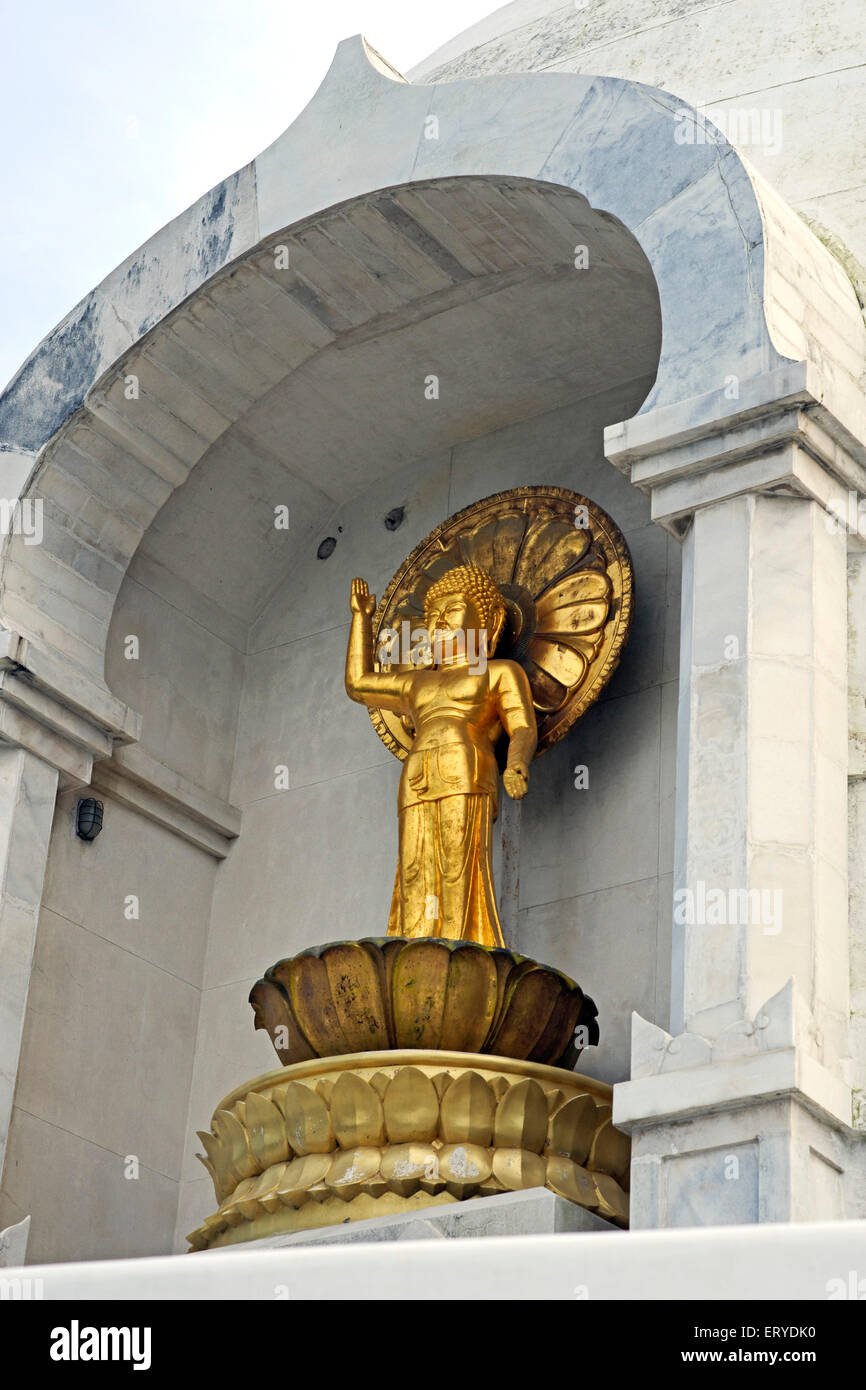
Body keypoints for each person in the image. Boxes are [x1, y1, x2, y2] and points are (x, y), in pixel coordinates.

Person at [345, 564, 537, 946]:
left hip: (466, 769)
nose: (439, 622)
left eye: (451, 611)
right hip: (416, 775)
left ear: (485, 621)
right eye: (433, 615)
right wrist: (361, 620)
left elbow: (523, 727)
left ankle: (463, 950)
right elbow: (359, 684)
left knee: (458, 868)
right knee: (414, 872)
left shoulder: (498, 672)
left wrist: (516, 763)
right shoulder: (418, 680)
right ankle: (415, 952)